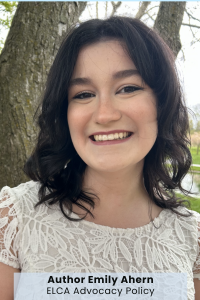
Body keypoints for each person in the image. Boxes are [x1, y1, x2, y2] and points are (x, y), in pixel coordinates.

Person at [0, 16, 200, 299]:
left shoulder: (193, 236)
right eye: (83, 94)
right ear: (63, 112)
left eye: (128, 88)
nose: (105, 114)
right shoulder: (14, 218)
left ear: (162, 102)